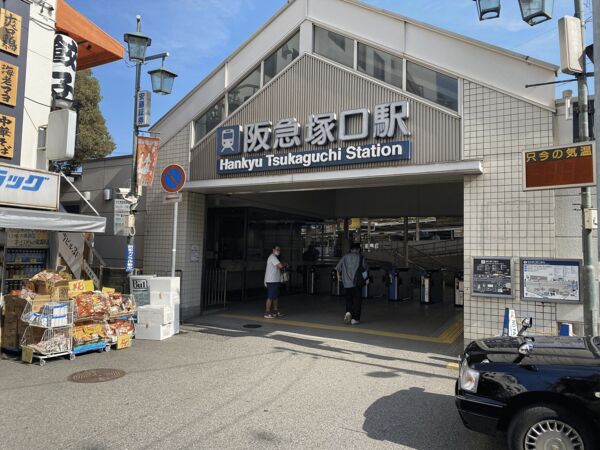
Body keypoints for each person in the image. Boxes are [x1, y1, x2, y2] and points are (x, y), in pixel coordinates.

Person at [336, 243, 368, 325]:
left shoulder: (345, 257)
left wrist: (339, 277)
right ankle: (355, 319)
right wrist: (366, 279)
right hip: (357, 283)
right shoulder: (361, 257)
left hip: (346, 283)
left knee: (349, 299)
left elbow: (338, 268)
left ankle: (348, 312)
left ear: (350, 249)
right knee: (357, 301)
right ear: (358, 249)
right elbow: (364, 270)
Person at [264, 244, 285, 319]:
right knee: (270, 297)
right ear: (273, 250)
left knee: (275, 297)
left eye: (279, 250)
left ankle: (275, 311)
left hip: (275, 280)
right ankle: (267, 313)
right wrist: (285, 264)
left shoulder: (275, 257)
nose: (278, 251)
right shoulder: (272, 257)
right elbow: (280, 266)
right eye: (277, 249)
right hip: (271, 280)